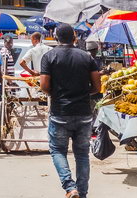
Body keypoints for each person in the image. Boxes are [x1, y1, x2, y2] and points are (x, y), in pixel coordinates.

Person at [40, 24, 100, 198]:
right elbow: (97, 86)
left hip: (60, 112)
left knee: (58, 150)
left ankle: (70, 187)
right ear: (74, 38)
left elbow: (44, 85)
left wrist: (57, 94)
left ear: (56, 38)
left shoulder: (49, 56)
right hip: (83, 113)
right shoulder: (87, 57)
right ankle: (82, 193)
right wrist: (82, 93)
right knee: (82, 154)